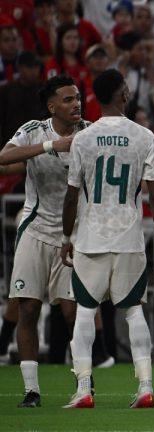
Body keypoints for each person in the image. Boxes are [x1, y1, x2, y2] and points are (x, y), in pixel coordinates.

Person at [60, 69, 154, 409]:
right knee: (133, 312)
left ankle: (83, 389)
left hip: (91, 237)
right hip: (129, 237)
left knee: (84, 311)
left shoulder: (84, 138)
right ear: (123, 94)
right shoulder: (144, 136)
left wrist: (67, 236)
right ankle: (145, 387)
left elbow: (70, 195)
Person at [0, 75, 86, 408]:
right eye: (68, 99)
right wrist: (52, 146)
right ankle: (32, 390)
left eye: (77, 97)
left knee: (71, 312)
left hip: (74, 236)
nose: (76, 103)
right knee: (29, 308)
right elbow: (4, 157)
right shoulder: (34, 129)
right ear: (52, 106)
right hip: (35, 229)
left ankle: (84, 383)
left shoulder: (90, 132)